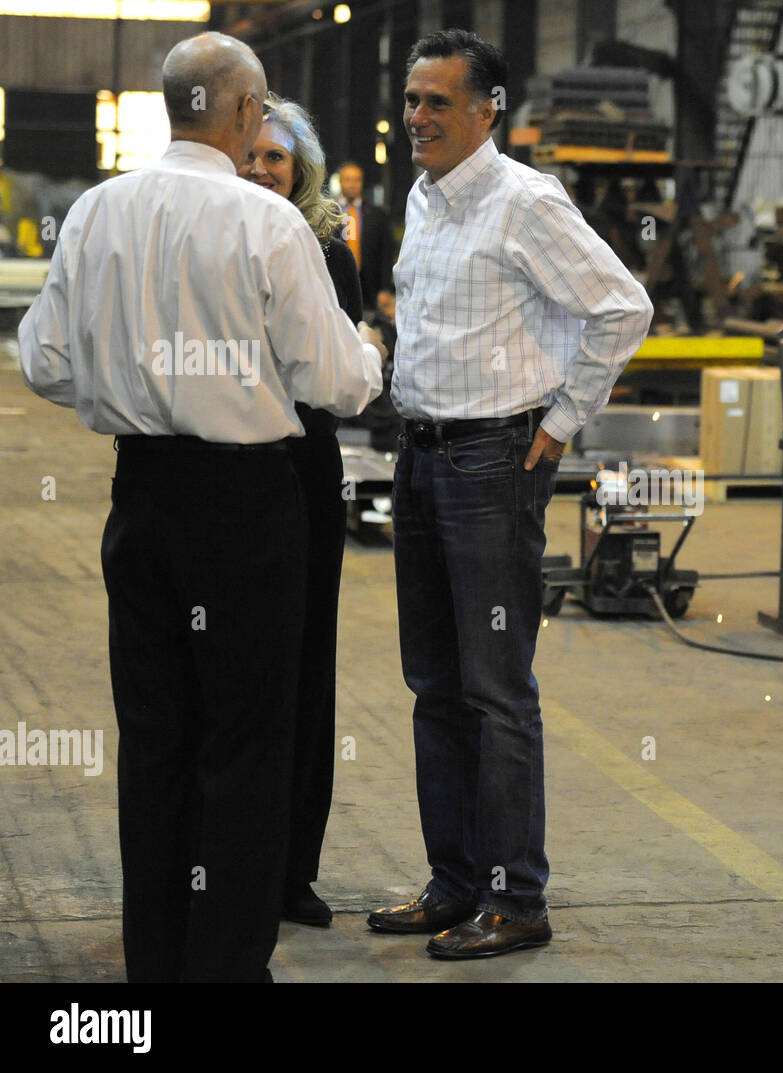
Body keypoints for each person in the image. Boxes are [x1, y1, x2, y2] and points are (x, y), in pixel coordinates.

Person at [18, 32, 383, 982]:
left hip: (142, 498)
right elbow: (338, 381)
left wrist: (134, 379)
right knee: (246, 740)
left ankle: (158, 961)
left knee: (156, 736)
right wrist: (370, 342)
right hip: (246, 509)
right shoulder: (269, 226)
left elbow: (45, 361)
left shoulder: (98, 212)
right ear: (247, 113)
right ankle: (225, 965)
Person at [366, 29, 652, 958]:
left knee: (495, 691)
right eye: (412, 100)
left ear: (487, 110)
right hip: (421, 456)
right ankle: (454, 883)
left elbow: (622, 306)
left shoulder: (526, 201)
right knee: (434, 685)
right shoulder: (425, 195)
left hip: (495, 466)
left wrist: (564, 419)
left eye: (438, 102)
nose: (418, 118)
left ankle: (515, 896)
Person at [237, 93, 361, 929]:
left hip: (303, 468)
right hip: (233, 466)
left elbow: (338, 372)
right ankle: (234, 863)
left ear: (302, 168)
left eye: (275, 158)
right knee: (241, 670)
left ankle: (291, 870)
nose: (260, 170)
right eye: (248, 156)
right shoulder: (215, 235)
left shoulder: (325, 249)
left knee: (306, 666)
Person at [337, 160, 395, 311]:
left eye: (357, 180)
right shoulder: (329, 212)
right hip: (337, 285)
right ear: (340, 181)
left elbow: (386, 253)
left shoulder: (377, 214)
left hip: (369, 287)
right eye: (348, 179)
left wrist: (384, 288)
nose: (352, 184)